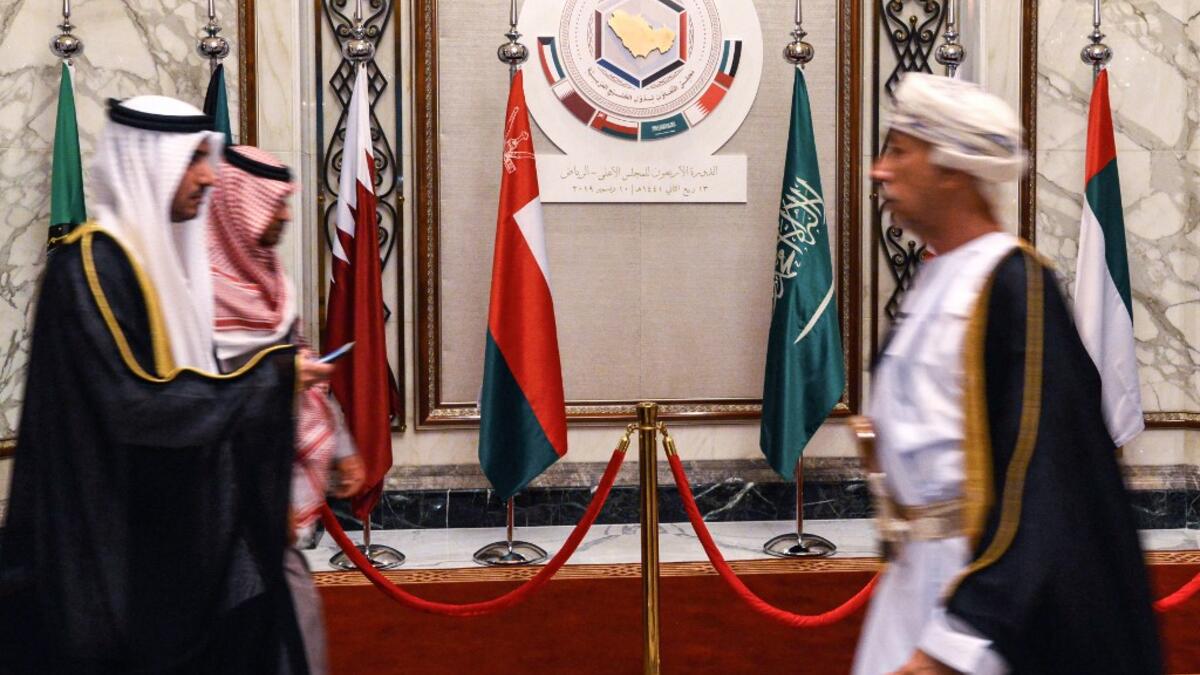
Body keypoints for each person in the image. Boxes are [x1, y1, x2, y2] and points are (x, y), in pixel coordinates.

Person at [0, 97, 328, 674]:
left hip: (159, 538)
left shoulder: (157, 265)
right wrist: (272, 378)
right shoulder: (92, 267)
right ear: (150, 164)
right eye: (197, 158)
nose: (210, 175)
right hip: (105, 547)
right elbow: (139, 406)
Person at [853, 74, 1161, 675]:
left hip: (980, 615)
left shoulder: (1014, 284)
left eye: (898, 151)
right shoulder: (938, 277)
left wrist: (953, 644)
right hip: (914, 591)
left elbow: (1043, 481)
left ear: (951, 170)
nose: (878, 171)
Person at [208, 144, 366, 675]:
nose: (284, 214)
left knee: (291, 619)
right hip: (225, 495)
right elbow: (203, 403)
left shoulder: (272, 278)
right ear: (238, 205)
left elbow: (298, 367)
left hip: (275, 478)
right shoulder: (199, 293)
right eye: (274, 203)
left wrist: (339, 444)